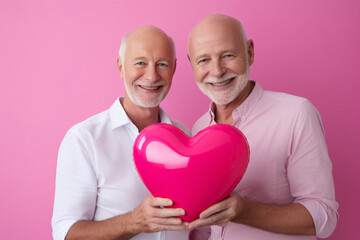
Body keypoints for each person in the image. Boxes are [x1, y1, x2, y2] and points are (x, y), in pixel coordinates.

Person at [187, 14, 338, 240]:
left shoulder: (296, 113)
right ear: (191, 64)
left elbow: (324, 219)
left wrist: (245, 211)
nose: (217, 71)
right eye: (204, 60)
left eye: (227, 55)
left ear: (249, 52)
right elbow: (205, 228)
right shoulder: (198, 129)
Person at [52, 25, 191, 240]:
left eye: (161, 64)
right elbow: (66, 234)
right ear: (120, 67)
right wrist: (134, 222)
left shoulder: (185, 136)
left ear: (173, 69)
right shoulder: (84, 139)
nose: (152, 76)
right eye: (140, 63)